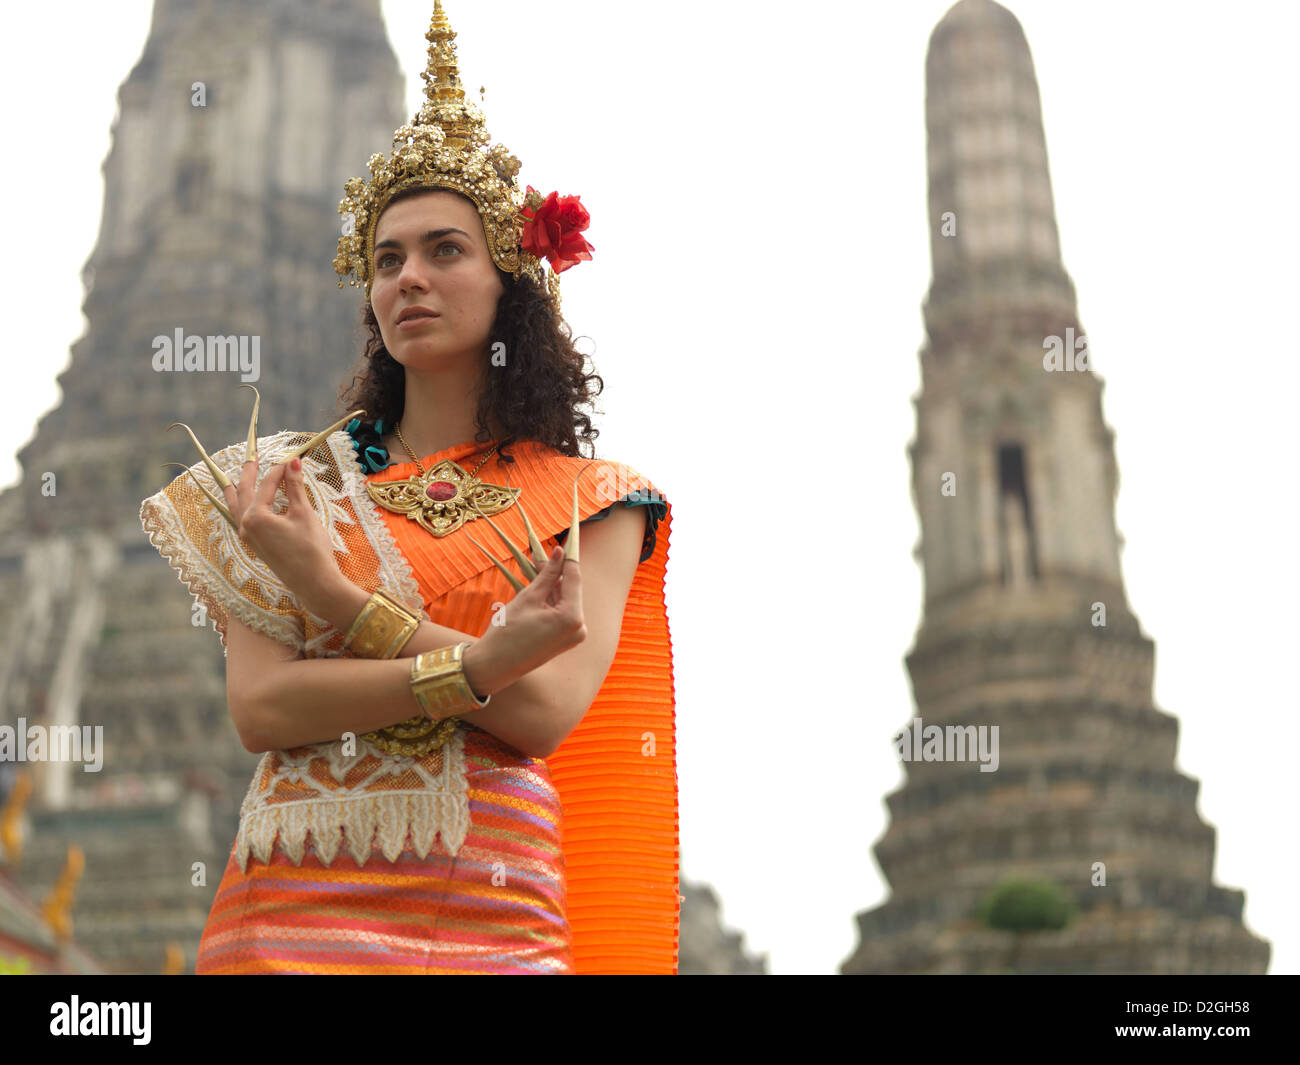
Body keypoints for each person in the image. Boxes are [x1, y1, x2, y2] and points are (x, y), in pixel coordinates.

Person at [139, 0, 676, 974]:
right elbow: (263, 709)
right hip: (292, 905)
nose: (409, 281)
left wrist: (335, 599)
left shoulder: (599, 501)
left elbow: (543, 711)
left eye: (444, 251)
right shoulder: (291, 483)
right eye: (387, 260)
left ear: (511, 279)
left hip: (492, 906)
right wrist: (477, 667)